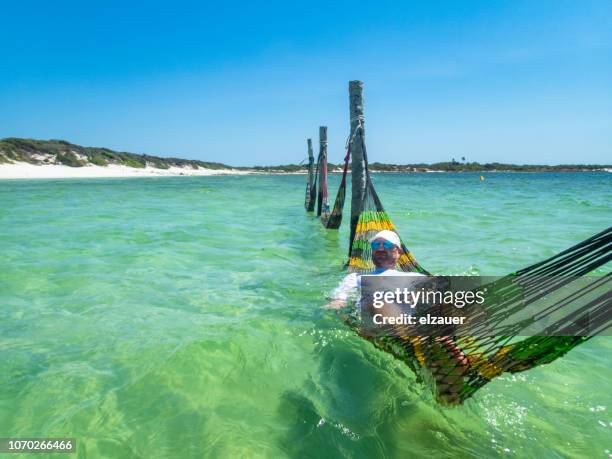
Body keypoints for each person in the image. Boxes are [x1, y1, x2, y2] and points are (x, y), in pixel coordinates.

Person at [325, 230, 424, 310]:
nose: (380, 248)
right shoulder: (355, 278)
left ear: (399, 252)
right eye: (376, 244)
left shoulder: (415, 277)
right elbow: (338, 301)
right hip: (372, 320)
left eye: (387, 244)